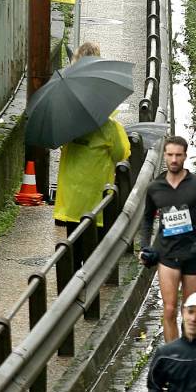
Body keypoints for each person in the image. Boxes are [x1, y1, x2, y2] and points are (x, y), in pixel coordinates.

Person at [53, 41, 131, 265]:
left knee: (72, 244)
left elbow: (58, 141)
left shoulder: (66, 117)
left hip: (70, 197)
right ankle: (88, 293)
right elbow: (121, 153)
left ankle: (72, 290)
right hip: (95, 195)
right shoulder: (107, 127)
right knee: (91, 252)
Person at [140, 136, 196, 342]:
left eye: (178, 155)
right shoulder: (154, 187)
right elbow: (147, 219)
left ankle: (190, 353)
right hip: (167, 254)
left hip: (193, 253)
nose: (174, 159)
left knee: (190, 310)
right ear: (164, 156)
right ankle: (172, 355)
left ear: (185, 156)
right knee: (168, 309)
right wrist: (144, 247)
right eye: (170, 155)